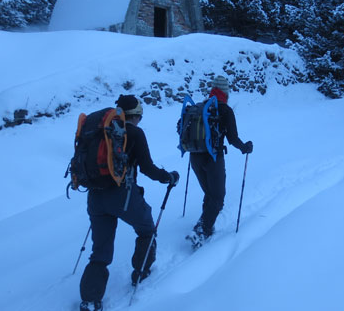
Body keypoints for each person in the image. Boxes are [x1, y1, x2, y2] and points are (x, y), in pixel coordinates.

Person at [79, 95, 179, 311]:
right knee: (147, 229)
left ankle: (90, 299)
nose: (139, 122)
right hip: (122, 197)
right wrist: (168, 177)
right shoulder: (134, 132)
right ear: (135, 116)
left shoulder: (99, 129)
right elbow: (147, 168)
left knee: (100, 251)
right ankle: (140, 273)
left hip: (95, 196)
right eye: (139, 118)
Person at [187, 76, 253, 248]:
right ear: (226, 92)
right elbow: (232, 138)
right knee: (218, 197)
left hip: (194, 157)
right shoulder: (225, 110)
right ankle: (201, 230)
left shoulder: (200, 107)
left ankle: (206, 225)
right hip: (213, 158)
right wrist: (245, 148)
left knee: (210, 193)